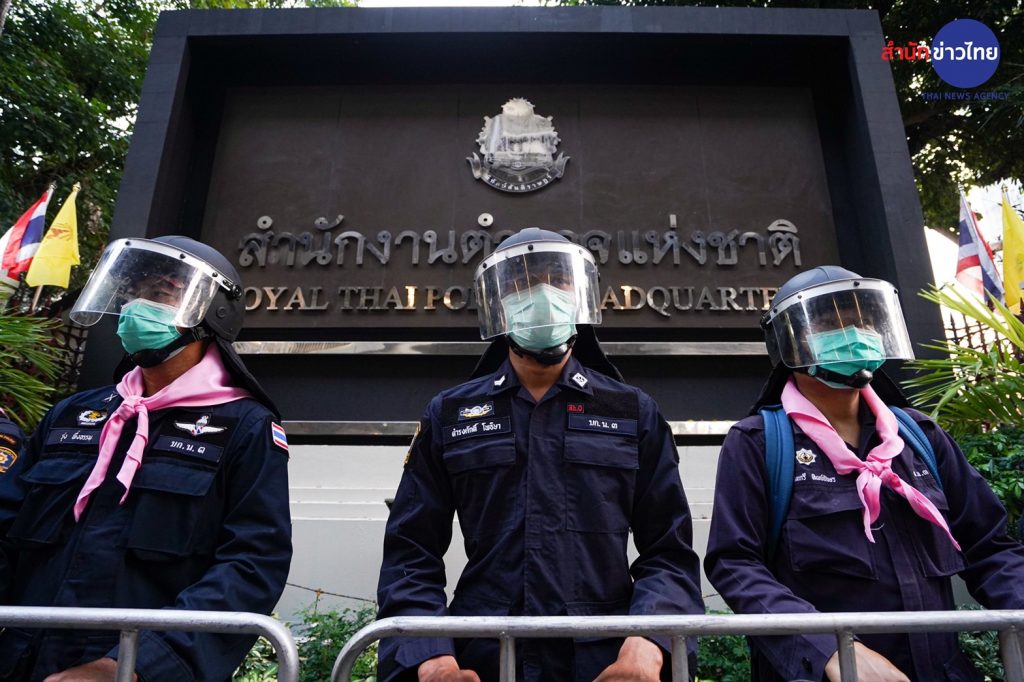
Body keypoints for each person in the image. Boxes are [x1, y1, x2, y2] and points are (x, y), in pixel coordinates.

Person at [376, 227, 704, 682]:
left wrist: (649, 642)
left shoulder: (631, 412)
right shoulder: (450, 414)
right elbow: (411, 552)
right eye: (522, 283)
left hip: (607, 660)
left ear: (580, 295)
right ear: (498, 303)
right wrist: (430, 655)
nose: (543, 295)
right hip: (484, 657)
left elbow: (669, 551)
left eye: (558, 280)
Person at [704, 265, 1024, 682]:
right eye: (828, 322)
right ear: (788, 341)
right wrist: (831, 649)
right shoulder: (758, 444)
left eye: (864, 320)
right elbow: (735, 564)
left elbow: (990, 547)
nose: (853, 333)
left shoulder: (919, 436)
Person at [0, 236, 293, 682]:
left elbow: (251, 565)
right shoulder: (73, 414)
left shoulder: (245, 427)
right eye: (132, 293)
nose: (137, 306)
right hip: (24, 661)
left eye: (159, 294)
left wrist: (133, 665)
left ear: (211, 313)